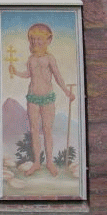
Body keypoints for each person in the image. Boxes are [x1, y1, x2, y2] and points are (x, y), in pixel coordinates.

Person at [10, 23, 75, 177]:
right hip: (32, 97)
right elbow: (28, 74)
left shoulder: (50, 58)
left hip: (47, 98)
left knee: (47, 130)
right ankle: (37, 163)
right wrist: (16, 72)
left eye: (39, 39)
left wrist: (66, 91)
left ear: (48, 40)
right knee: (34, 130)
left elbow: (58, 76)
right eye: (32, 39)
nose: (35, 43)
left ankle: (50, 163)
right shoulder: (31, 59)